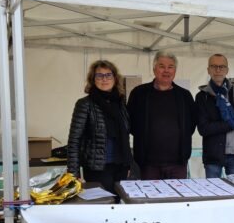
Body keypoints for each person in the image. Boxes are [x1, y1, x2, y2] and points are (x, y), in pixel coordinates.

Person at [127, 51, 196, 180]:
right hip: (148, 164)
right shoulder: (139, 93)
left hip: (178, 163)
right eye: (162, 66)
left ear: (175, 70)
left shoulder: (185, 96)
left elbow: (191, 125)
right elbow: (130, 123)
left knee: (177, 199)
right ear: (154, 69)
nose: (166, 71)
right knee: (150, 199)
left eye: (170, 67)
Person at [66, 60, 131, 193]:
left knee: (118, 206)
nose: (104, 79)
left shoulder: (120, 103)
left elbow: (125, 134)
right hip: (97, 169)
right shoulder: (85, 104)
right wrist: (73, 174)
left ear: (115, 78)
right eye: (99, 75)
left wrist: (128, 164)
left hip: (121, 166)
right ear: (93, 79)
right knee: (102, 207)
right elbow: (74, 141)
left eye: (108, 75)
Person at [195, 54, 234, 178]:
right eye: (214, 66)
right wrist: (229, 124)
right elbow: (203, 128)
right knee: (212, 195)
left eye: (222, 66)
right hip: (213, 156)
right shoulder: (202, 96)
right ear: (208, 70)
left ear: (227, 70)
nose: (218, 70)